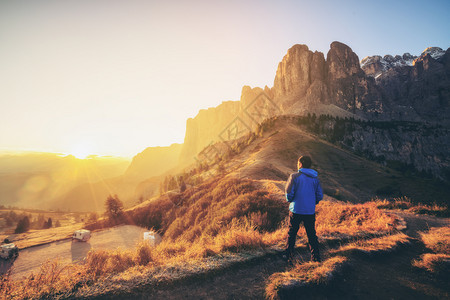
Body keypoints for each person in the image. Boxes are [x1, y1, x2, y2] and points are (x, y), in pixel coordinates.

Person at [284, 155, 323, 262]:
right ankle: (316, 257)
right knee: (311, 234)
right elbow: (319, 195)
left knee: (292, 233)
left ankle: (289, 256)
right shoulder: (315, 178)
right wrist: (312, 202)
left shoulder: (294, 176)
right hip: (309, 211)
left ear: (300, 164)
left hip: (296, 210)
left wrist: (290, 200)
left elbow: (288, 192)